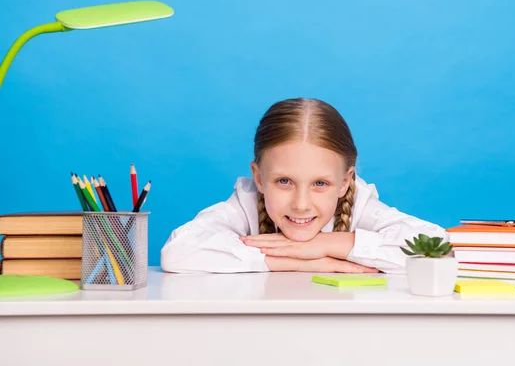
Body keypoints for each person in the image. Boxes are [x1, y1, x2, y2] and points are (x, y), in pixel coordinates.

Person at [160, 98, 448, 274]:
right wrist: (298, 261)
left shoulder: (359, 203)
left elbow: (440, 246)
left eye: (320, 183)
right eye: (284, 181)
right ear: (259, 178)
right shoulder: (246, 203)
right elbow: (179, 251)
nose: (301, 204)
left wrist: (327, 244)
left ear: (344, 182)